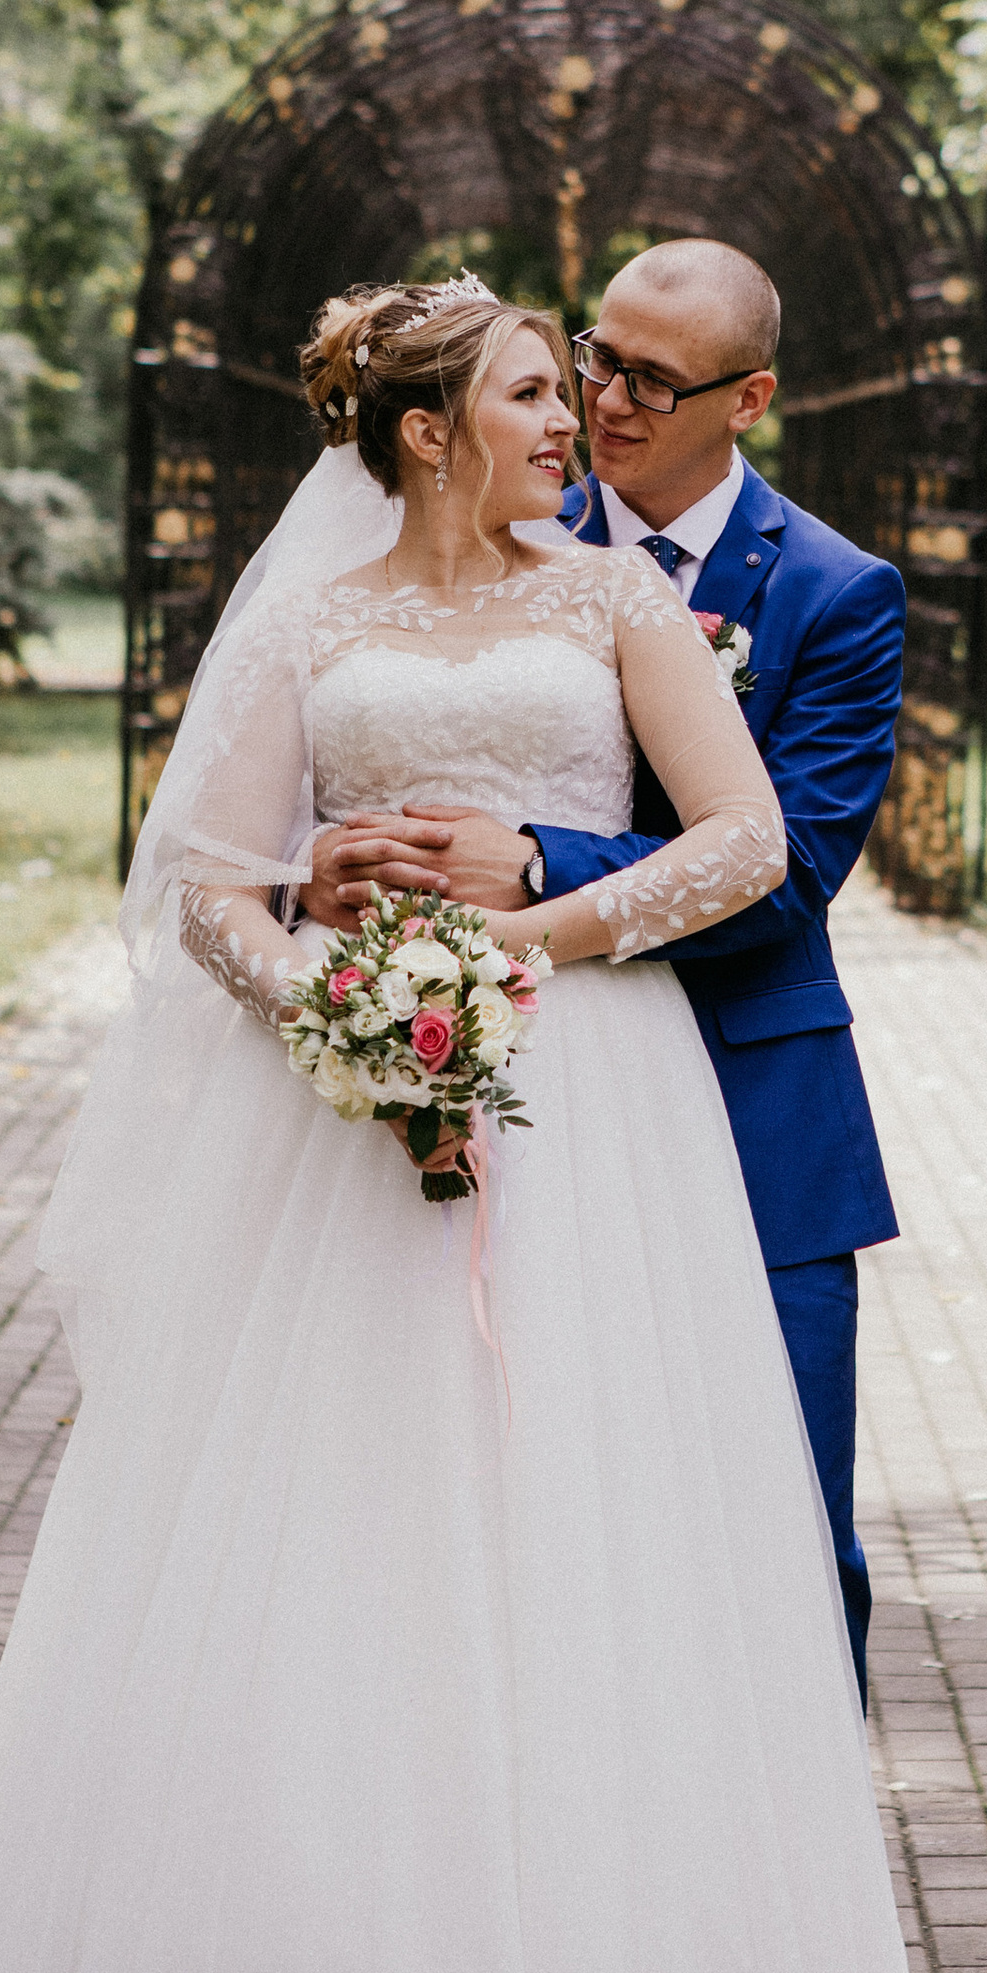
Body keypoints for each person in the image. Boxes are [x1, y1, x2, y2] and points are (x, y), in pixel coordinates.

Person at [0, 277, 934, 1973]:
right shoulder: (311, 620)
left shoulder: (614, 603)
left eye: (598, 386)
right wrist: (313, 980)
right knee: (345, 1532)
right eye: (544, 391)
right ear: (433, 426)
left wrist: (507, 941)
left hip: (591, 1108)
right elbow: (207, 880)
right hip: (355, 1115)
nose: (578, 422)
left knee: (591, 1530)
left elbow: (745, 849)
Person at [304, 241, 902, 1692]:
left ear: (748, 396)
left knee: (781, 1522)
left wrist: (538, 864)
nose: (604, 399)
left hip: (749, 1095)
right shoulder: (491, 519)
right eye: (594, 357)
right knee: (515, 1508)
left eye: (651, 378)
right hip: (497, 1085)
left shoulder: (834, 592)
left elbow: (794, 870)